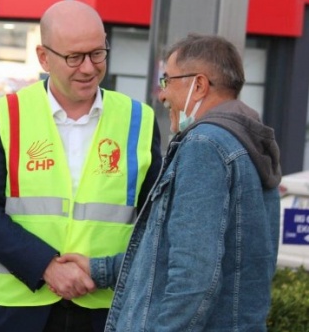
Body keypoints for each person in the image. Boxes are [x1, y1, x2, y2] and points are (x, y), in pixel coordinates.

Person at [0, 0, 162, 332]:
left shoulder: (138, 120)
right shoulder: (5, 115)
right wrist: (47, 266)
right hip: (20, 309)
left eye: (97, 53)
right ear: (44, 57)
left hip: (108, 308)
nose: (88, 68)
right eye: (74, 57)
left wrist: (102, 270)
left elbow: (156, 220)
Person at [60, 34, 282, 331]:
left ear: (199, 85)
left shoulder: (205, 146)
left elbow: (194, 275)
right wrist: (100, 269)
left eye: (167, 81)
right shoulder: (245, 144)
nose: (161, 95)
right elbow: (167, 254)